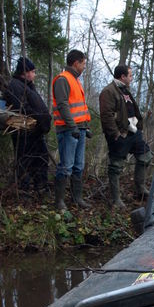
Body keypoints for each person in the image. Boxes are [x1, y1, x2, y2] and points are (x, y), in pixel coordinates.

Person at [99, 64, 152, 208]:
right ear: (122, 76)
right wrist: (115, 134)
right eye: (130, 75)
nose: (132, 77)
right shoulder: (108, 91)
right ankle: (116, 200)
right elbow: (106, 116)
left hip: (133, 133)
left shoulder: (125, 90)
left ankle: (140, 188)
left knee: (145, 156)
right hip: (120, 135)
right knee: (116, 166)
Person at [4, 57, 51, 195]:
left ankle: (40, 187)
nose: (34, 74)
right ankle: (24, 191)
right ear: (26, 72)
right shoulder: (15, 85)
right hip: (24, 130)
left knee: (41, 159)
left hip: (35, 130)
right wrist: (39, 117)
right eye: (33, 71)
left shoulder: (29, 85)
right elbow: (22, 108)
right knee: (25, 161)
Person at [52, 49, 91, 209]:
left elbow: (79, 108)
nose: (84, 67)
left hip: (78, 129)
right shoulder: (63, 79)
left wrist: (84, 127)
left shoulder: (75, 80)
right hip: (68, 130)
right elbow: (62, 105)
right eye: (83, 64)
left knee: (78, 166)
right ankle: (59, 202)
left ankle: (77, 199)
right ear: (76, 63)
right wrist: (73, 126)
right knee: (66, 166)